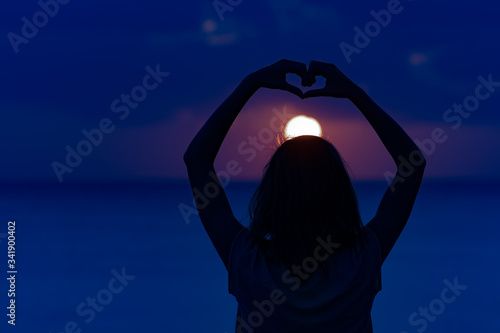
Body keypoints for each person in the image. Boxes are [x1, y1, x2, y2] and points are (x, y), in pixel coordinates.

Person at [183, 59, 426, 332]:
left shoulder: (247, 259)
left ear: (271, 194)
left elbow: (197, 160)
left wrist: (250, 84)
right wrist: (354, 93)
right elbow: (412, 164)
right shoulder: (362, 257)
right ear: (340, 193)